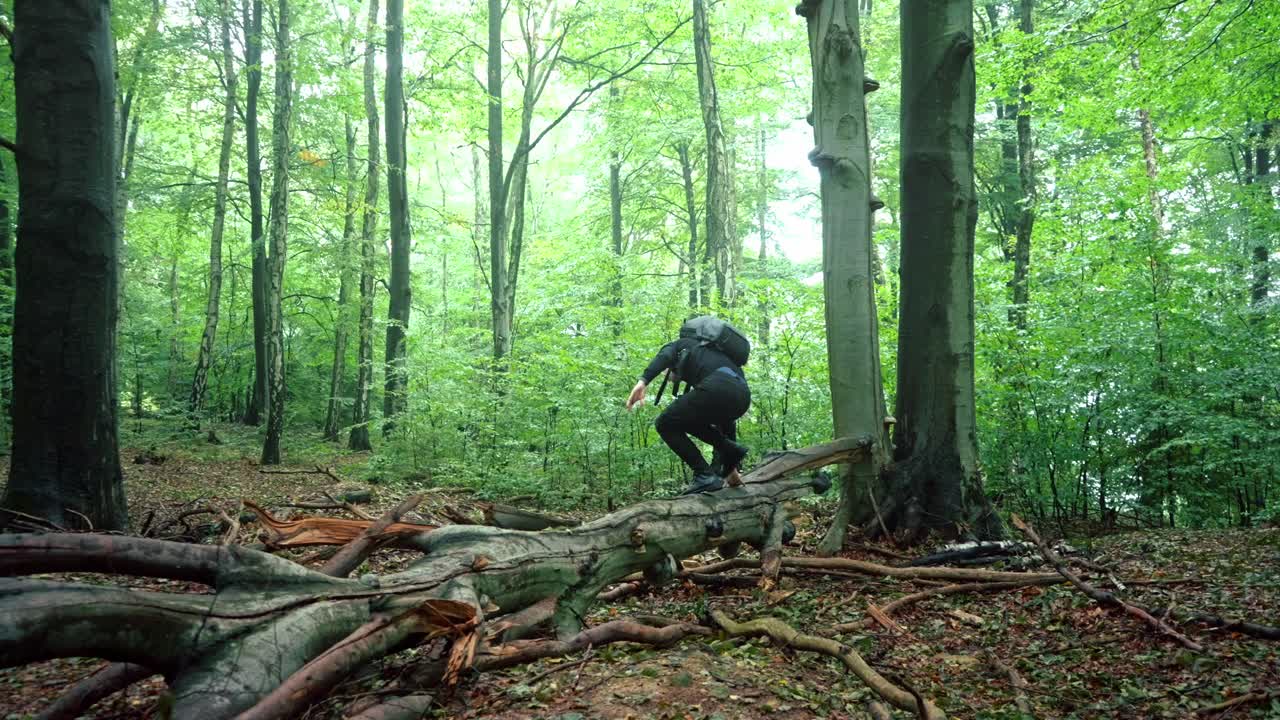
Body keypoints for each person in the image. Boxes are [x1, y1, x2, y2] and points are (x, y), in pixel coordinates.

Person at [626, 324, 751, 495]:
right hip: (743, 397)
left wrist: (643, 381)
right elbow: (726, 422)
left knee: (665, 423)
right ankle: (725, 460)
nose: (666, 376)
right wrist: (730, 468)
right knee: (686, 420)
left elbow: (664, 355)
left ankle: (703, 474)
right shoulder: (713, 359)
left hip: (717, 388)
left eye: (666, 372)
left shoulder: (683, 344)